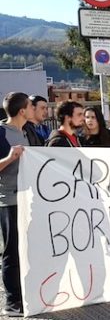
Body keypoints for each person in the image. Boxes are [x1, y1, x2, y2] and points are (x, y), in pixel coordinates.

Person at [0, 92, 33, 316]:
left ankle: (26, 296)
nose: (33, 109)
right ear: (22, 111)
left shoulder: (25, 132)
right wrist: (11, 158)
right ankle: (12, 304)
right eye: (31, 106)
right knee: (11, 252)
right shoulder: (1, 133)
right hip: (9, 201)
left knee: (26, 251)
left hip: (27, 201)